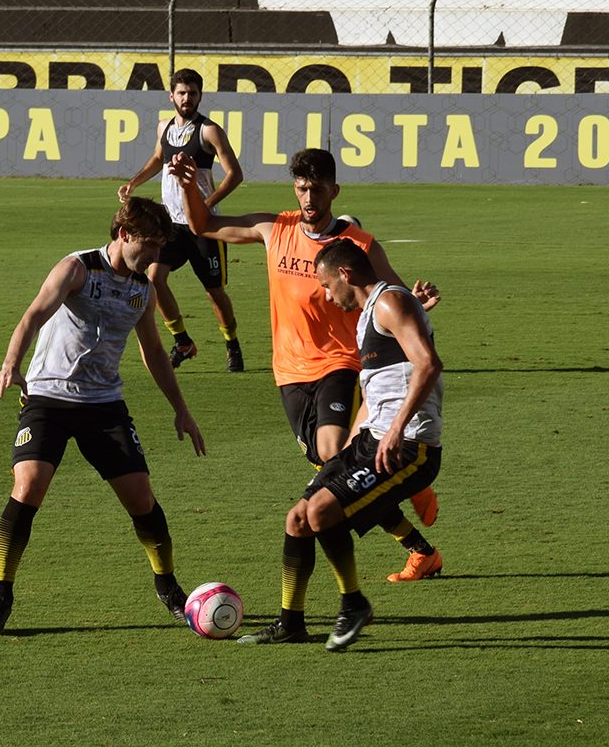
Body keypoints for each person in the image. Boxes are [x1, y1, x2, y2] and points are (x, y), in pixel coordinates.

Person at [171, 147, 443, 582]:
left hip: (340, 364)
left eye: (317, 189)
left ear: (334, 191)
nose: (309, 198)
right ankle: (419, 544)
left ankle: (408, 484)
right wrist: (189, 187)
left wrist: (415, 303)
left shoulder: (360, 245)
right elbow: (203, 225)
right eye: (301, 189)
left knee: (334, 453)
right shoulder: (274, 229)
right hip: (288, 371)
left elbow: (390, 296)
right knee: (326, 466)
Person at [0, 197, 206, 634]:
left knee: (141, 499)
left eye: (161, 246)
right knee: (28, 487)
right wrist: (10, 364)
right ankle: (1, 594)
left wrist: (182, 409)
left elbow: (154, 352)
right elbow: (33, 315)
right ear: (123, 234)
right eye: (149, 244)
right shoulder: (77, 268)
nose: (155, 255)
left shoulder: (143, 289)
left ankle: (168, 586)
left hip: (103, 405)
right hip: (48, 398)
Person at [238, 238, 444, 650]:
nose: (328, 296)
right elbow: (374, 393)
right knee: (298, 518)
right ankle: (291, 623)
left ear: (346, 274)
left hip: (409, 444)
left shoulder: (389, 302)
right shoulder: (370, 314)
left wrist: (395, 429)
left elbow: (428, 364)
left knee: (321, 511)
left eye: (328, 286)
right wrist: (351, 446)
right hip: (371, 438)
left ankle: (354, 604)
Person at [118, 68, 245, 372]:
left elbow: (235, 174)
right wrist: (134, 182)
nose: (187, 98)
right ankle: (182, 342)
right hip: (170, 226)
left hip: (203, 228)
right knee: (154, 279)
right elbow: (157, 159)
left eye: (193, 93)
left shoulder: (209, 130)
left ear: (200, 96)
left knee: (214, 292)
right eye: (182, 93)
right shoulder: (164, 127)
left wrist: (205, 205)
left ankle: (232, 345)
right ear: (171, 96)